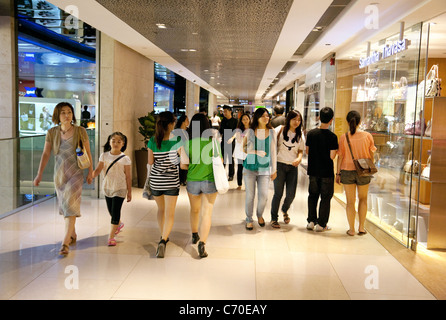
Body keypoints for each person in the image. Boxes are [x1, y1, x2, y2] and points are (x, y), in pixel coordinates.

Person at [33, 102, 93, 256]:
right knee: (66, 206)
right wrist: (39, 174)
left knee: (71, 205)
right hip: (59, 175)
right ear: (57, 116)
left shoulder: (80, 131)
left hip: (76, 173)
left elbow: (88, 152)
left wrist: (90, 171)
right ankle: (72, 234)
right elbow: (46, 154)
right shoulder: (52, 132)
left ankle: (64, 243)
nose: (67, 115)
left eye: (69, 112)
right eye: (63, 113)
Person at [180, 113, 220, 258]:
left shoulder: (187, 143)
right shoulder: (213, 143)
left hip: (192, 180)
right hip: (210, 180)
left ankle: (195, 234)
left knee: (194, 210)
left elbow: (183, 166)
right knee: (207, 212)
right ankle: (202, 243)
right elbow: (220, 161)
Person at [336, 110, 376, 236]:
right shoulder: (368, 136)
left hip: (347, 171)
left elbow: (340, 157)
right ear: (360, 121)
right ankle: (362, 227)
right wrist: (370, 168)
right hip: (363, 171)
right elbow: (371, 155)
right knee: (363, 199)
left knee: (350, 201)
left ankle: (351, 229)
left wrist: (338, 173)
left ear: (348, 122)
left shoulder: (344, 137)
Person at [148, 111, 182, 258]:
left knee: (161, 210)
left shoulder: (152, 140)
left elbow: (150, 162)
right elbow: (181, 161)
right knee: (170, 213)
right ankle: (163, 240)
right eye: (174, 122)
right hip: (171, 181)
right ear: (170, 124)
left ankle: (164, 236)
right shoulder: (177, 140)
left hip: (156, 180)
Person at [92, 132, 132, 246]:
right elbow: (98, 170)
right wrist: (91, 176)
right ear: (109, 142)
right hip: (107, 187)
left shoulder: (125, 158)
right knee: (111, 211)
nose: (115, 143)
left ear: (123, 144)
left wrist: (129, 192)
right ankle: (118, 224)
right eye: (113, 140)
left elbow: (128, 176)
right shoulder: (104, 156)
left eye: (119, 141)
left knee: (115, 211)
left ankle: (111, 237)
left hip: (120, 188)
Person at [243, 108, 277, 230]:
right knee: (250, 195)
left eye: (267, 116)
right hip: (250, 167)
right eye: (263, 116)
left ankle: (260, 215)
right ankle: (249, 219)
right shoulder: (251, 131)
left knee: (264, 196)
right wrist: (256, 151)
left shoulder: (272, 132)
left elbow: (273, 152)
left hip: (265, 169)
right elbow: (244, 149)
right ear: (257, 118)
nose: (266, 118)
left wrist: (274, 170)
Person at [306, 107, 338, 232]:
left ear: (319, 118)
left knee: (312, 196)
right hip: (326, 172)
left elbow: (307, 151)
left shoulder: (311, 133)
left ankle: (311, 221)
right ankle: (321, 224)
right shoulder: (332, 137)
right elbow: (332, 156)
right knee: (325, 198)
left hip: (313, 170)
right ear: (331, 120)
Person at [270, 110, 305, 228]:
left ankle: (284, 210)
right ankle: (274, 218)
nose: (297, 122)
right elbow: (271, 146)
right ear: (289, 119)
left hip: (292, 167)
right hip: (279, 165)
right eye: (294, 119)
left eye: (299, 120)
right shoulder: (279, 129)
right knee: (278, 193)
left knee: (291, 194)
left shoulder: (300, 134)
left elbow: (300, 150)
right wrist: (272, 168)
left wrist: (299, 158)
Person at [228, 113, 250, 189]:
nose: (245, 121)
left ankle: (248, 185)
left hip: (249, 152)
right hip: (241, 152)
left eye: (247, 119)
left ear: (249, 119)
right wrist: (232, 138)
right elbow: (235, 135)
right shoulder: (239, 129)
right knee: (240, 168)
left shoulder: (253, 128)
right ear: (241, 121)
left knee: (248, 169)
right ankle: (239, 184)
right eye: (243, 119)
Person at [219, 105, 238, 181]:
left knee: (230, 158)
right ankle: (221, 174)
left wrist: (232, 138)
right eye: (223, 111)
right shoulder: (223, 120)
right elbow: (221, 131)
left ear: (230, 111)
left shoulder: (235, 121)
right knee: (222, 157)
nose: (224, 113)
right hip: (224, 140)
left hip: (231, 141)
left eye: (226, 111)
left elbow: (236, 131)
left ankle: (231, 175)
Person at [174, 113, 189, 186]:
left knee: (185, 163)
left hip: (187, 150)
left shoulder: (189, 131)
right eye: (187, 120)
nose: (188, 122)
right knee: (180, 164)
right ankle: (180, 180)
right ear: (183, 121)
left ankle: (184, 179)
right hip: (178, 151)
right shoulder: (177, 131)